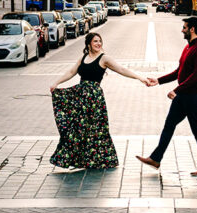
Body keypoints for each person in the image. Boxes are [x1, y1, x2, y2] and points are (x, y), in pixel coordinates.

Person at [49, 31, 154, 169]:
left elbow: (122, 69)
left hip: (94, 99)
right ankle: (82, 160)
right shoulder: (84, 58)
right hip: (80, 98)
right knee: (78, 129)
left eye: (100, 41)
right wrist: (56, 83)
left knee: (97, 130)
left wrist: (141, 78)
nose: (98, 44)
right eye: (95, 41)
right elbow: (71, 72)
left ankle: (102, 159)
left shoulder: (104, 59)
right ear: (88, 44)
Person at [137, 16, 197, 176]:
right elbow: (178, 72)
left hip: (195, 95)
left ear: (192, 29)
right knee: (169, 125)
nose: (182, 30)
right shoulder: (188, 47)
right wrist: (158, 80)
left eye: (185, 27)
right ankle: (155, 158)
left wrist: (177, 90)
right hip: (185, 95)